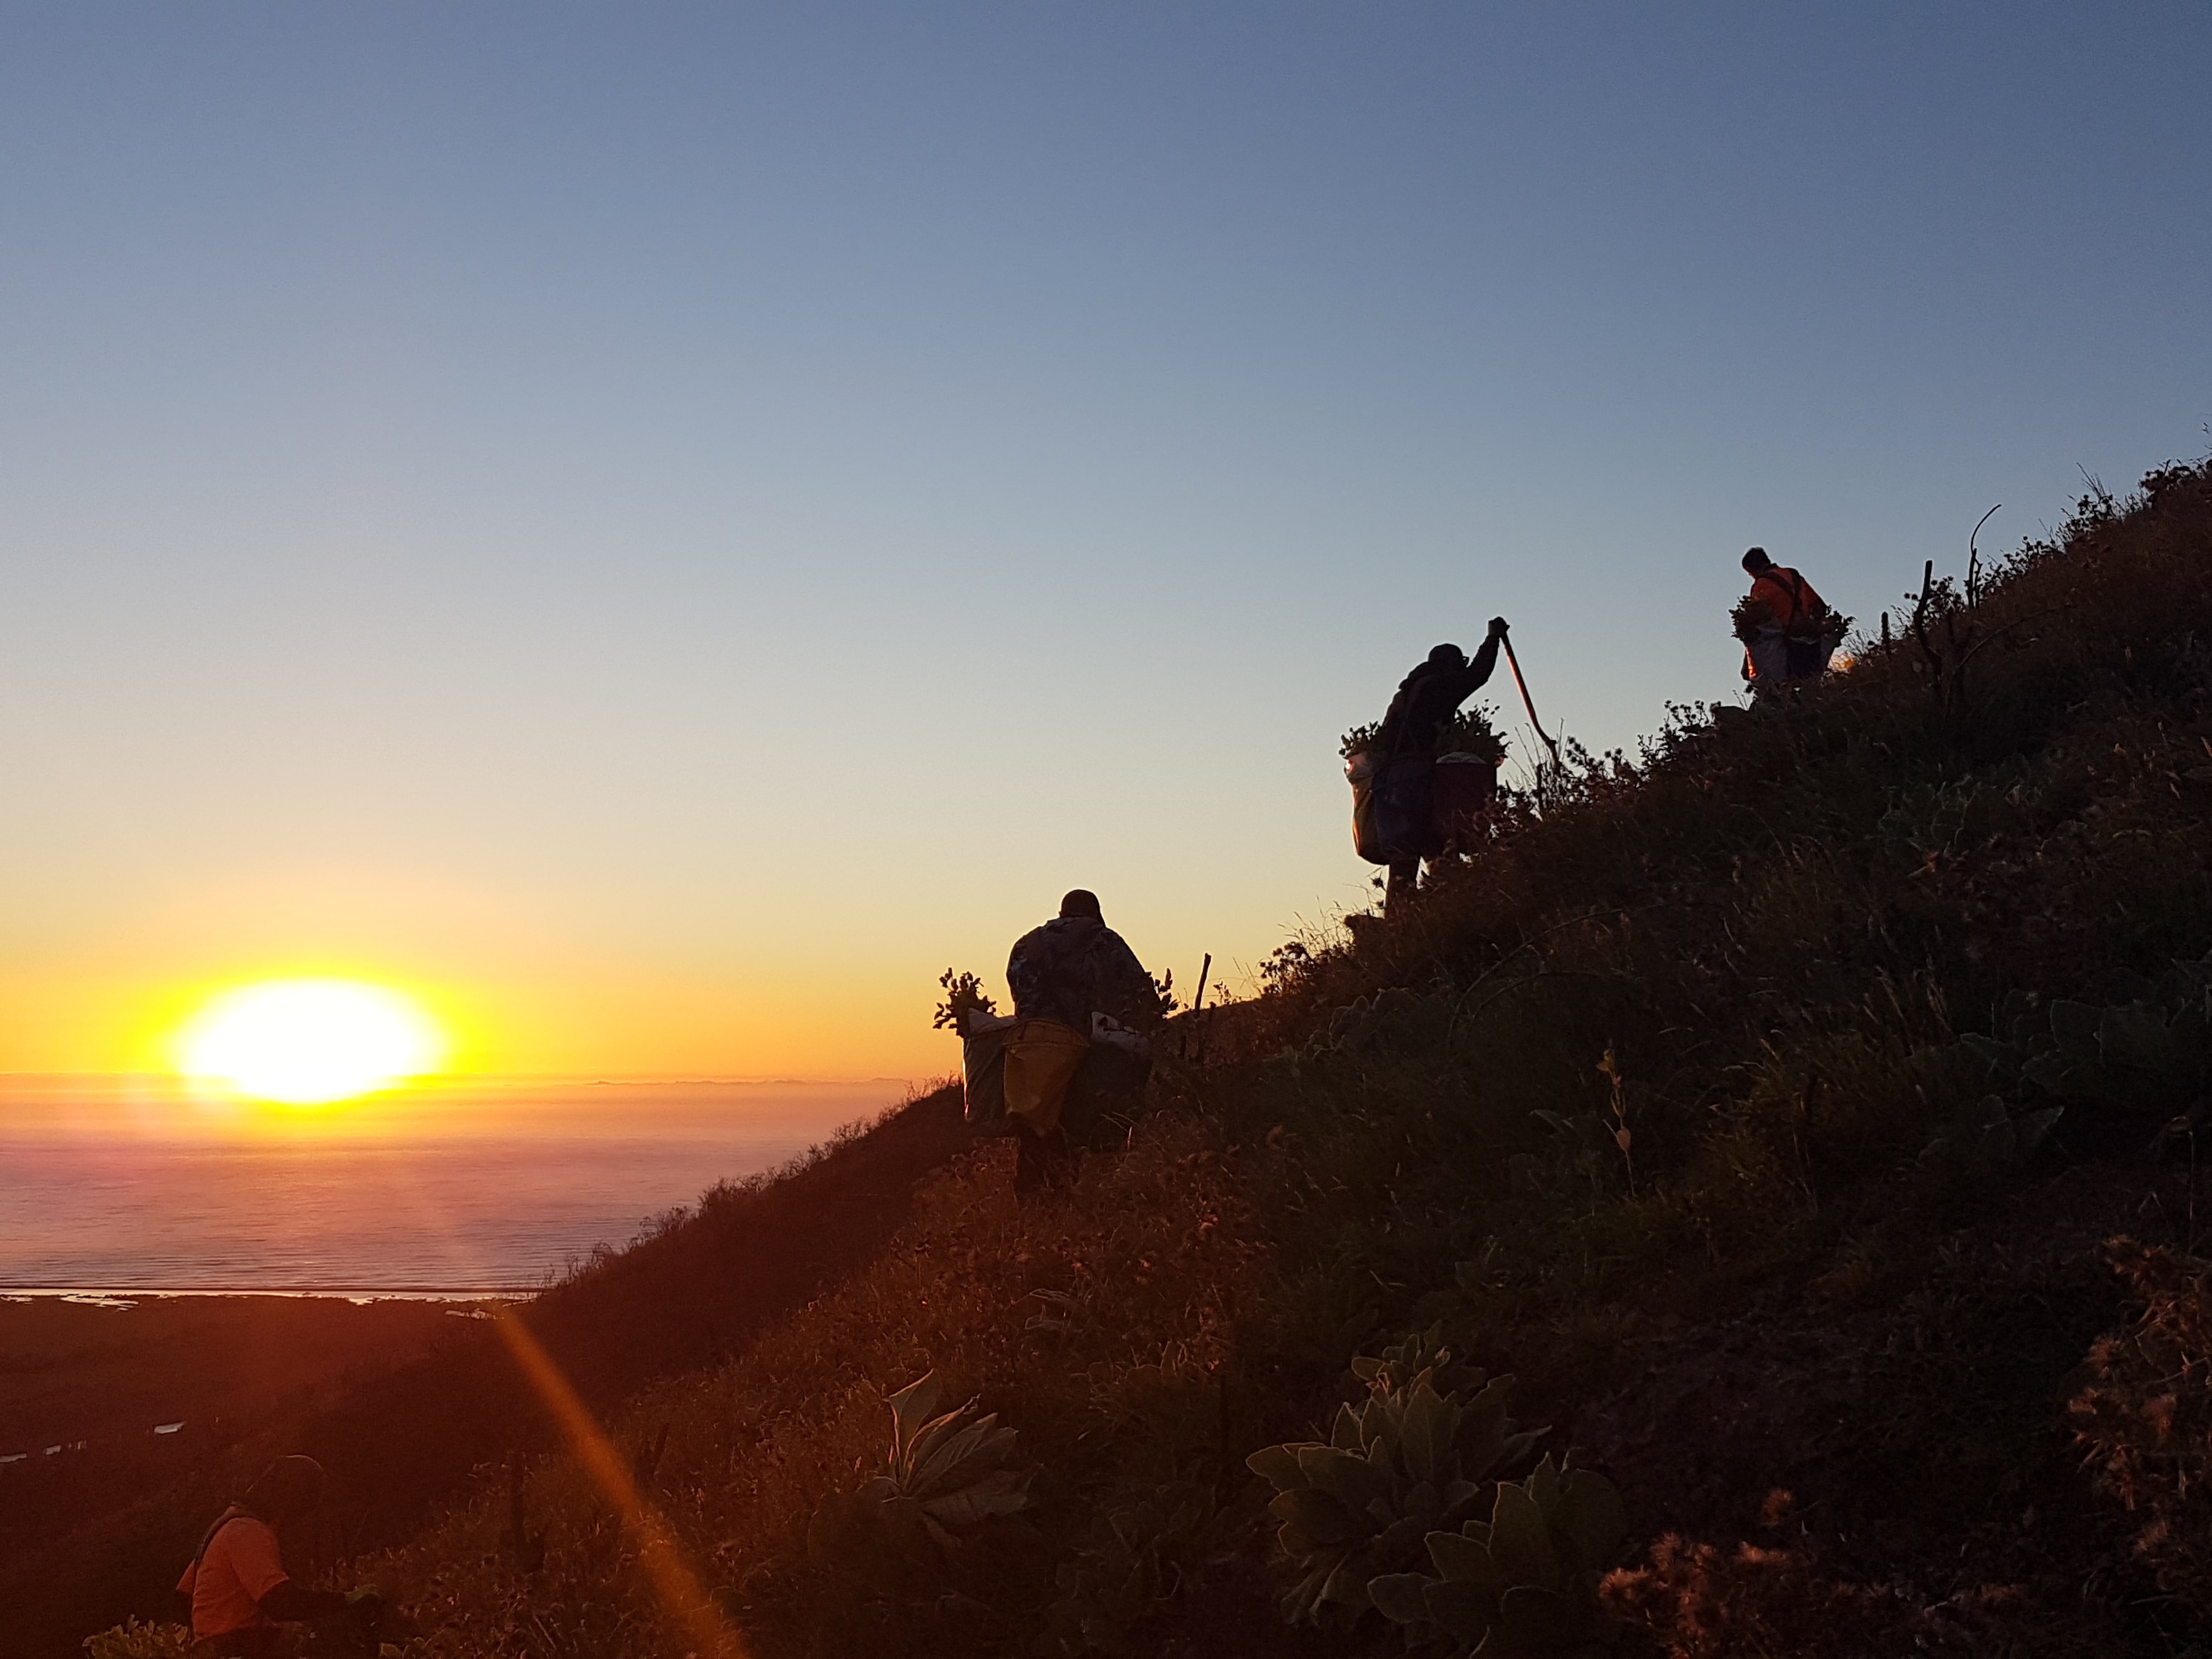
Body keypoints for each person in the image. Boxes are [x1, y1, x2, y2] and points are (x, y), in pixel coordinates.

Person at [1003, 890, 1161, 1196]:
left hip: (1033, 1055)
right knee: (1084, 1128)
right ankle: (1082, 1204)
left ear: (1062, 913)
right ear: (1095, 913)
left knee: (1037, 1132)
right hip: (1086, 1052)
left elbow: (1020, 1001)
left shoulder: (1025, 945)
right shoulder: (1104, 940)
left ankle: (1033, 1215)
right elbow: (1142, 995)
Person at [177, 1455, 379, 1656]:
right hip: (235, 1651)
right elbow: (279, 1602)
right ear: (293, 1501)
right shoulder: (248, 1531)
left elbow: (185, 1594)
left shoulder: (223, 1527)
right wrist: (347, 1600)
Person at [1372, 619, 1509, 908]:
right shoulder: (1438, 685)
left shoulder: (1405, 695)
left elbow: (1384, 741)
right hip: (1417, 777)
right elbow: (1477, 675)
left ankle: (1397, 932)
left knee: (1403, 858)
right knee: (1440, 846)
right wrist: (1493, 639)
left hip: (1390, 782)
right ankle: (1448, 918)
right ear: (1451, 664)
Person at [1737, 548, 1837, 696]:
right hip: (1807, 641)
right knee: (1807, 688)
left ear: (1751, 570)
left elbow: (1756, 623)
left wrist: (1749, 663)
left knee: (1777, 693)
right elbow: (1819, 606)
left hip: (1780, 647)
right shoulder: (1793, 575)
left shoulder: (1761, 585)